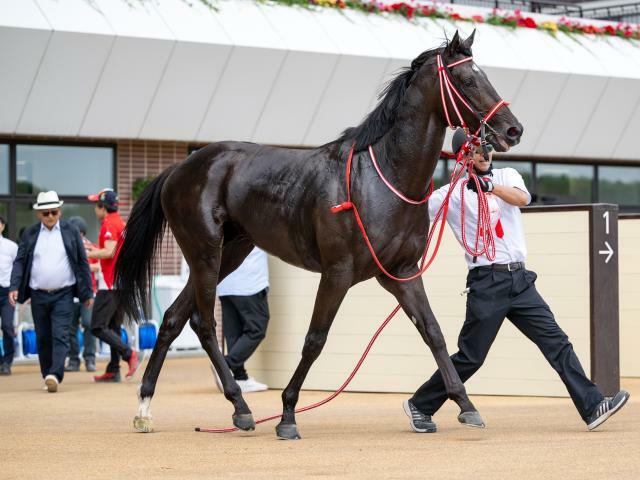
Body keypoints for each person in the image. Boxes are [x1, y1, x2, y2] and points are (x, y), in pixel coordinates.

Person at [403, 129, 630, 433]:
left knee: (557, 342)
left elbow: (523, 199)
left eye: (487, 148)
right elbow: (411, 213)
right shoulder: (450, 194)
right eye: (477, 150)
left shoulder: (508, 176)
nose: (485, 154)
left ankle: (591, 407)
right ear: (464, 155)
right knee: (471, 357)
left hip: (520, 279)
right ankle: (420, 404)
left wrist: (489, 186)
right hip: (487, 282)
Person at [9, 191, 93, 392]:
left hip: (63, 293)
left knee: (60, 334)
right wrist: (14, 286)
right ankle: (47, 373)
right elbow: (20, 262)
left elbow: (82, 261)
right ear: (38, 213)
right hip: (38, 294)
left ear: (59, 212)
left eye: (53, 212)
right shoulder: (29, 234)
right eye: (45, 213)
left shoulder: (71, 231)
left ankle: (55, 374)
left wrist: (87, 292)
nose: (50, 216)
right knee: (43, 337)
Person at [87, 188, 139, 382]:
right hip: (120, 282)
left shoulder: (109, 222)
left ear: (103, 206)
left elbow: (108, 252)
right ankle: (113, 369)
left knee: (98, 326)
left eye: (96, 204)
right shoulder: (120, 222)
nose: (95, 209)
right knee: (113, 326)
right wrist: (95, 250)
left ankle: (128, 354)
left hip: (109, 284)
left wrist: (88, 254)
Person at [216, 247, 270, 393]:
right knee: (257, 329)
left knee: (234, 333)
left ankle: (240, 378)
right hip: (249, 283)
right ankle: (224, 365)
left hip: (225, 284)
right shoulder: (258, 223)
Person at [65, 216, 99, 372]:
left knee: (88, 324)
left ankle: (90, 358)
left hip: (87, 293)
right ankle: (73, 359)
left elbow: (98, 265)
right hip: (70, 293)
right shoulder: (65, 246)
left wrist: (83, 267)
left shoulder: (90, 247)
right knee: (70, 327)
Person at [0, 216, 18, 375]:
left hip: (6, 293)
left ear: (2, 226)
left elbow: (18, 269)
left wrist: (16, 288)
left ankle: (7, 361)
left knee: (7, 326)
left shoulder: (11, 247)